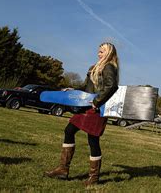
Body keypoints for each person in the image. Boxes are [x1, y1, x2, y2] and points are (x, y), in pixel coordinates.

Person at [45, 42, 119, 186]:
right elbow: (86, 87)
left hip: (96, 109)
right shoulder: (94, 67)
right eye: (99, 50)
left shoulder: (109, 66)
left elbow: (112, 86)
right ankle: (63, 169)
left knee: (93, 140)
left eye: (102, 51)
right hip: (85, 107)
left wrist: (97, 102)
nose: (99, 53)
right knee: (69, 130)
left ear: (109, 53)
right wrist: (72, 90)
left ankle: (94, 177)